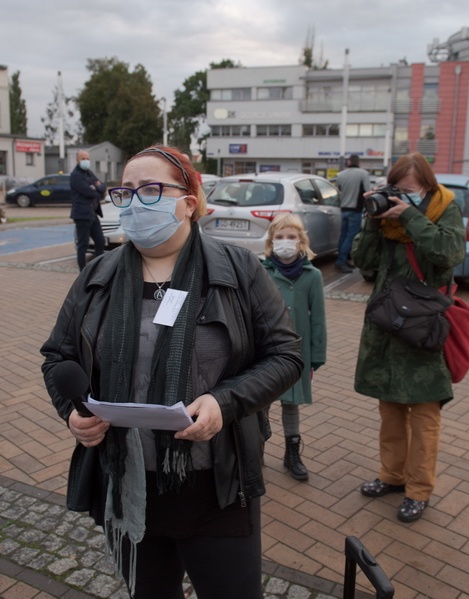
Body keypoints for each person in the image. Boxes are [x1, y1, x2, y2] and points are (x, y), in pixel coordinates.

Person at [41, 145, 303, 598]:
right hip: (128, 482)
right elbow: (58, 356)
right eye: (126, 192)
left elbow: (286, 355)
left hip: (217, 484)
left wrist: (225, 402)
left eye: (152, 189)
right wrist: (72, 412)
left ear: (189, 201)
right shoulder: (97, 275)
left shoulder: (238, 269)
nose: (136, 201)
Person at [350, 152, 465, 523]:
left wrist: (411, 217)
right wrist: (372, 218)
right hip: (387, 323)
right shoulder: (386, 218)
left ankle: (419, 490)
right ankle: (392, 475)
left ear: (427, 188)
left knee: (425, 413)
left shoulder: (446, 208)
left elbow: (449, 254)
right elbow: (362, 261)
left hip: (424, 324)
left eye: (410, 192)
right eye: (396, 190)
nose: (401, 197)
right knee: (390, 408)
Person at [261, 214, 326, 482]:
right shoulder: (262, 271)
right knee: (260, 402)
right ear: (271, 241)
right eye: (279, 237)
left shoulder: (312, 276)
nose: (285, 242)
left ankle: (292, 453)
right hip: (264, 350)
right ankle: (256, 451)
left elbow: (318, 319)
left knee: (291, 403)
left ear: (301, 242)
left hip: (297, 352)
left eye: (291, 237)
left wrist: (316, 357)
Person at [69, 149, 107, 270]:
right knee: (83, 245)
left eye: (87, 159)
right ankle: (83, 272)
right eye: (83, 159)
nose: (86, 161)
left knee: (100, 241)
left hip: (93, 213)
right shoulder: (75, 175)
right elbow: (88, 192)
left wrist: (97, 188)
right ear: (77, 160)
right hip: (82, 215)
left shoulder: (89, 173)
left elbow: (102, 186)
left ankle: (98, 268)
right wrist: (96, 189)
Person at [334, 154, 370, 273]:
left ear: (349, 162)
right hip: (355, 210)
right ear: (358, 162)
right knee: (351, 237)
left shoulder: (340, 174)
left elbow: (338, 190)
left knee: (343, 236)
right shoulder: (363, 174)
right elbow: (367, 192)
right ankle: (341, 260)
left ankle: (343, 260)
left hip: (343, 209)